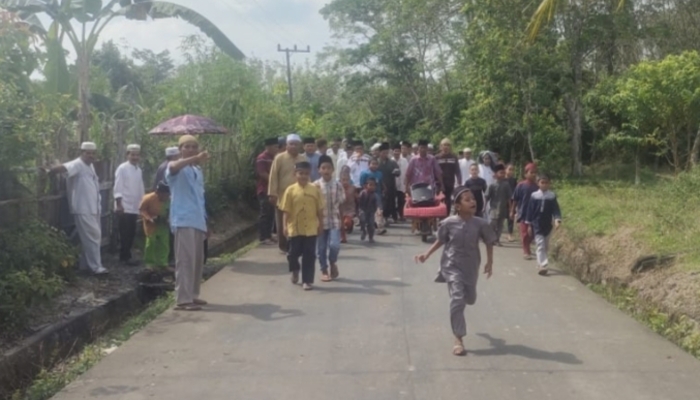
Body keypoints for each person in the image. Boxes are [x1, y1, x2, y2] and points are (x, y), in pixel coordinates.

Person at [414, 187, 496, 356]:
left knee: (470, 298)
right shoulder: (448, 223)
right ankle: (458, 338)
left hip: (471, 265)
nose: (472, 201)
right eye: (467, 199)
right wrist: (426, 254)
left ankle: (462, 307)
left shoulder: (481, 223)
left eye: (473, 198)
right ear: (457, 206)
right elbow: (440, 240)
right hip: (452, 265)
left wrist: (490, 262)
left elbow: (489, 241)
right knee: (457, 298)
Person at [47, 142, 107, 275]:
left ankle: (85, 265)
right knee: (93, 236)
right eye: (87, 153)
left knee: (90, 237)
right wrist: (50, 170)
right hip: (83, 207)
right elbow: (64, 168)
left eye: (92, 153)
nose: (90, 155)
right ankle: (96, 267)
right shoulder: (78, 164)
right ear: (82, 153)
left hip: (93, 207)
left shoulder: (90, 166)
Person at [167, 135, 210, 311]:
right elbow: (174, 166)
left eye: (194, 147)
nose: (191, 150)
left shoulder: (197, 171)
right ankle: (183, 299)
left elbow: (200, 198)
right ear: (180, 150)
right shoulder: (175, 167)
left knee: (197, 260)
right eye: (187, 147)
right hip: (183, 219)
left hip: (197, 219)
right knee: (185, 260)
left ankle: (193, 294)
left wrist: (206, 221)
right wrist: (193, 159)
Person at [280, 161, 324, 290]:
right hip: (295, 228)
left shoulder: (315, 189)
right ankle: (295, 269)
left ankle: (307, 280)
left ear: (310, 174)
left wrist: (320, 224)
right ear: (295, 174)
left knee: (309, 255)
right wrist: (284, 226)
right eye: (300, 173)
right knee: (292, 254)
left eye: (306, 173)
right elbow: (286, 210)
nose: (303, 176)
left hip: (311, 228)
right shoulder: (290, 190)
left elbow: (320, 209)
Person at [268, 134, 308, 254]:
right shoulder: (279, 158)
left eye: (296, 144)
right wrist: (272, 193)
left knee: (298, 220)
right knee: (281, 222)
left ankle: (297, 244)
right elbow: (273, 176)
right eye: (291, 144)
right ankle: (283, 246)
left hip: (299, 195)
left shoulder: (303, 159)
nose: (293, 146)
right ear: (286, 145)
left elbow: (307, 176)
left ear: (300, 146)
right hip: (282, 195)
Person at [314, 155, 345, 282]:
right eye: (323, 168)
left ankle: (333, 263)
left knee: (334, 245)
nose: (326, 170)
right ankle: (324, 270)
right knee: (321, 248)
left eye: (329, 168)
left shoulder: (338, 185)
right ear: (319, 170)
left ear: (333, 170)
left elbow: (341, 203)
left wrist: (341, 219)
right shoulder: (315, 185)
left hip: (334, 220)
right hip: (320, 222)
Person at [524, 174, 562, 276]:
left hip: (547, 224)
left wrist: (557, 219)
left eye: (546, 183)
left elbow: (556, 209)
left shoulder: (552, 196)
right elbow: (530, 211)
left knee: (545, 246)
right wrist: (528, 224)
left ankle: (540, 263)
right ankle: (543, 265)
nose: (544, 185)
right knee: (540, 244)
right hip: (536, 223)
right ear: (538, 183)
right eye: (542, 183)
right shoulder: (534, 196)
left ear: (549, 184)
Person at [113, 144, 145, 266]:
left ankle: (127, 255)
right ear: (127, 155)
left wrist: (142, 205)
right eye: (132, 154)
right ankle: (124, 256)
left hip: (134, 206)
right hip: (124, 206)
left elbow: (140, 188)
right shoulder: (122, 168)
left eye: (137, 155)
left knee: (132, 232)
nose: (135, 157)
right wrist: (119, 204)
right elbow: (118, 187)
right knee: (125, 233)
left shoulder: (138, 170)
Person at [139, 181, 171, 270]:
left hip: (164, 224)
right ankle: (149, 263)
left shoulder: (169, 200)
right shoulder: (148, 198)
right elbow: (142, 210)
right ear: (158, 192)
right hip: (151, 224)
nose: (165, 197)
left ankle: (163, 263)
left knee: (164, 243)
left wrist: (169, 219)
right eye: (163, 194)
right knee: (151, 243)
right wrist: (149, 218)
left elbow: (171, 211)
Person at [511, 163, 539, 260]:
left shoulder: (537, 187)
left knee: (533, 233)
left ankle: (528, 245)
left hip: (534, 214)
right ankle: (526, 250)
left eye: (535, 173)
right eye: (531, 172)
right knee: (525, 233)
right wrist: (512, 211)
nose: (534, 174)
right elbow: (515, 199)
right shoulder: (521, 185)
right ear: (526, 173)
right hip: (523, 212)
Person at [256, 137, 279, 245]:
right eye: (275, 147)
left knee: (271, 213)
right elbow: (262, 173)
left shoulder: (275, 157)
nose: (276, 149)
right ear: (268, 147)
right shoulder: (262, 158)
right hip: (264, 189)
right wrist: (274, 181)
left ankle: (269, 235)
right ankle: (263, 237)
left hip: (273, 189)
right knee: (265, 213)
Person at [486, 164, 513, 246]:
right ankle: (491, 238)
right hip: (493, 208)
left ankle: (497, 240)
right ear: (495, 174)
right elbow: (487, 197)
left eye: (503, 173)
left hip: (503, 208)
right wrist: (484, 207)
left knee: (500, 225)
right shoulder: (491, 185)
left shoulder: (506, 185)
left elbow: (509, 198)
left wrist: (511, 209)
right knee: (492, 224)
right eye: (500, 173)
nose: (502, 174)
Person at [435, 138, 462, 214]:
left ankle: (446, 217)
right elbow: (433, 171)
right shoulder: (437, 157)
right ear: (440, 146)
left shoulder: (453, 157)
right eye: (444, 145)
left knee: (448, 200)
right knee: (440, 200)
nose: (446, 147)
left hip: (450, 182)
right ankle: (440, 217)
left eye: (448, 145)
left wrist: (459, 181)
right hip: (438, 183)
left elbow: (457, 170)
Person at [378, 143, 400, 224]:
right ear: (379, 153)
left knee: (391, 202)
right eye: (383, 153)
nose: (385, 154)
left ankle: (392, 217)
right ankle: (381, 218)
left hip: (390, 185)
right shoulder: (376, 162)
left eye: (386, 153)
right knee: (381, 203)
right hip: (379, 186)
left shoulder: (392, 162)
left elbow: (398, 172)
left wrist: (396, 172)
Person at [358, 177, 379, 242]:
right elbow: (359, 202)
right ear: (366, 185)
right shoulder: (363, 193)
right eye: (370, 185)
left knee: (371, 224)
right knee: (363, 220)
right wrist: (358, 211)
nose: (372, 187)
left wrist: (376, 211)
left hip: (371, 212)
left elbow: (376, 204)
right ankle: (363, 231)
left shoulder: (375, 195)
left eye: (373, 185)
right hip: (363, 210)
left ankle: (371, 237)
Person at [393, 143, 409, 221]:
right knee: (392, 201)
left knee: (401, 201)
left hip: (402, 184)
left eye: (398, 151)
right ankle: (394, 216)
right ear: (393, 152)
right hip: (393, 184)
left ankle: (401, 215)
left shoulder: (404, 161)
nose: (396, 152)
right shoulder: (391, 161)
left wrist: (407, 183)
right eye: (395, 151)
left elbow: (407, 172)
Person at [339, 174, 356, 243]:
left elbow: (356, 197)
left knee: (347, 222)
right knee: (341, 225)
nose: (345, 182)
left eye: (347, 180)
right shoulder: (338, 188)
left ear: (349, 180)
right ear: (340, 181)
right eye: (343, 180)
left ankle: (351, 223)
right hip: (341, 208)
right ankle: (343, 238)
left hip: (350, 208)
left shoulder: (353, 188)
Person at [505, 164, 518, 242]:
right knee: (499, 218)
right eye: (509, 169)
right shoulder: (502, 179)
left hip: (512, 200)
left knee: (511, 217)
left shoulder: (514, 180)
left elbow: (516, 190)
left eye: (512, 170)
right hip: (503, 200)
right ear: (505, 169)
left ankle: (510, 234)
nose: (511, 171)